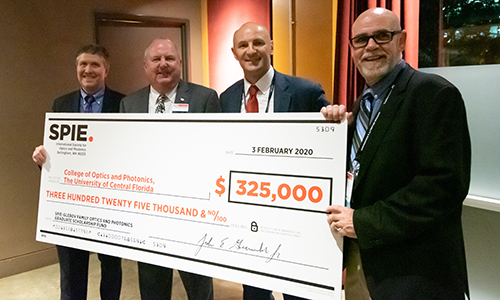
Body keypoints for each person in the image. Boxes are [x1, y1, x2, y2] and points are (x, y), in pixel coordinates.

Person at [322, 8, 471, 300]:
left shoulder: (434, 94)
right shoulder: (362, 103)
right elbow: (364, 172)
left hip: (416, 276)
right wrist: (332, 133)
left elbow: (443, 187)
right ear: (351, 48)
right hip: (364, 268)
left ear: (401, 40)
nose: (371, 46)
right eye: (361, 40)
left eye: (381, 36)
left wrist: (363, 223)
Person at [220, 22, 329, 300]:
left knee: (298, 293)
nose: (251, 50)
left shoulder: (305, 92)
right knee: (254, 292)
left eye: (258, 42)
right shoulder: (227, 98)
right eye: (243, 45)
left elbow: (328, 148)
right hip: (248, 212)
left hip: (295, 212)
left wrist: (336, 119)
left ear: (271, 46)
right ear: (234, 53)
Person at [120, 38, 219, 300]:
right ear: (145, 66)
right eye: (156, 59)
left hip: (192, 212)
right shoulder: (129, 105)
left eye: (169, 59)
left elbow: (217, 152)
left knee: (198, 287)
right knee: (152, 286)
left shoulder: (205, 98)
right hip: (148, 214)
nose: (163, 65)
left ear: (180, 63)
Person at [32, 44, 124, 300]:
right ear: (76, 69)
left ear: (106, 69)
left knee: (111, 267)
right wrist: (42, 157)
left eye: (95, 64)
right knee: (72, 270)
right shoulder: (61, 104)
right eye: (83, 64)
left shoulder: (123, 103)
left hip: (109, 201)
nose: (88, 70)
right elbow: (57, 153)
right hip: (71, 205)